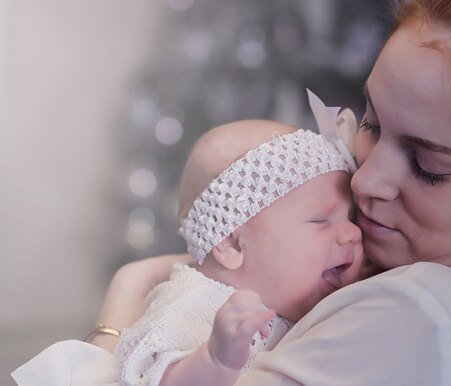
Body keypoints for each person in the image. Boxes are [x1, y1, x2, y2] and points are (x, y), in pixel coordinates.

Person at [17, 0, 451, 384]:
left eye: (427, 163)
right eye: (373, 124)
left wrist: (115, 322)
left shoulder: (418, 311)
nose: (366, 179)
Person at [12, 97, 364, 386]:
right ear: (232, 245)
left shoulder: (310, 305)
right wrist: (214, 359)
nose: (352, 233)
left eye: (350, 217)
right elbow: (152, 378)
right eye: (320, 221)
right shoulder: (196, 302)